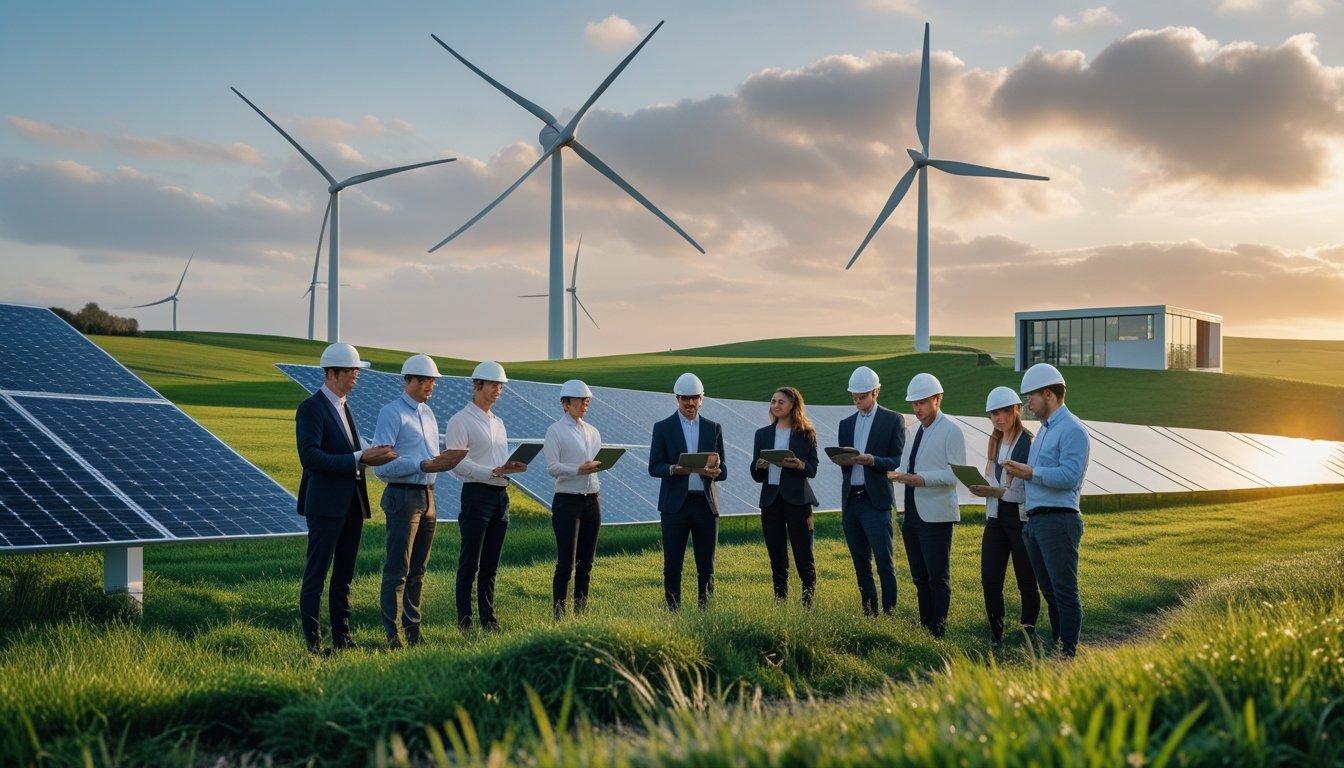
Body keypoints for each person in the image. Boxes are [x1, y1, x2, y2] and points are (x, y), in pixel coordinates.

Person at [295, 342, 397, 654]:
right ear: (334, 373)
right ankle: (314, 645)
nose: (357, 376)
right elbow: (310, 457)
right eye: (353, 371)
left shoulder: (344, 405)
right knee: (317, 576)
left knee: (344, 576)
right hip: (325, 505)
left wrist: (369, 457)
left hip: (352, 503)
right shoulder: (311, 408)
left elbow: (351, 453)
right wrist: (357, 457)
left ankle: (343, 638)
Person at [372, 354, 467, 649]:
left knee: (418, 570)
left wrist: (446, 458)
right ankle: (393, 634)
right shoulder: (392, 413)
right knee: (398, 568)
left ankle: (414, 632)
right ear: (408, 380)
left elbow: (429, 455)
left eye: (433, 381)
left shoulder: (428, 413)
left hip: (428, 496)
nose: (431, 386)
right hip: (402, 496)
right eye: (425, 380)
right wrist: (421, 464)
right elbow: (381, 465)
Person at [1002, 363, 1090, 657]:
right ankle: (1059, 646)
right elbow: (1036, 474)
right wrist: (1019, 476)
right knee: (1050, 592)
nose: (1027, 403)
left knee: (1064, 591)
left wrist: (1030, 473)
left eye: (1032, 396)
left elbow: (1069, 477)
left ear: (1049, 394)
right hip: (1036, 521)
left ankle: (1068, 653)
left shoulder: (1073, 430)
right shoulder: (1043, 432)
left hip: (1059, 519)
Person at [443, 361, 528, 632]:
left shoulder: (499, 423)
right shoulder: (460, 420)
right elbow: (457, 464)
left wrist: (511, 467)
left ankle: (488, 618)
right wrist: (492, 472)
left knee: (491, 562)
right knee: (470, 561)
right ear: (477, 385)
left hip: (501, 496)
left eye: (501, 386)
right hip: (476, 495)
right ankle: (465, 620)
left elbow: (499, 461)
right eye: (494, 385)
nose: (498, 391)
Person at [889, 373, 965, 638]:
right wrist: (893, 473)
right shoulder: (913, 432)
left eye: (922, 402)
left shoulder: (951, 431)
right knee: (919, 576)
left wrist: (922, 480)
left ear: (938, 399)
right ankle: (925, 627)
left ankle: (938, 631)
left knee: (937, 576)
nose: (917, 408)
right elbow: (908, 466)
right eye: (914, 403)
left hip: (936, 513)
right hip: (911, 512)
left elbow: (956, 474)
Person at [967, 386, 1039, 648]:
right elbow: (994, 481)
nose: (999, 418)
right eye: (994, 414)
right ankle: (996, 634)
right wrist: (983, 490)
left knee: (1026, 580)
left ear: (1017, 410)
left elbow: (1025, 491)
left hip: (1019, 519)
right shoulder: (994, 442)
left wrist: (997, 491)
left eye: (1005, 412)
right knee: (990, 580)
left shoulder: (1028, 443)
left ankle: (1027, 631)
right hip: (995, 518)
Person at [648, 372, 727, 610]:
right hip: (675, 507)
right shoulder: (663, 428)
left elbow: (723, 471)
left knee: (707, 565)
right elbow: (654, 466)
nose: (690, 403)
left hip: (705, 504)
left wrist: (715, 472)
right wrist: (672, 469)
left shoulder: (713, 428)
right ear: (677, 399)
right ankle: (673, 610)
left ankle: (706, 610)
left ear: (702, 398)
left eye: (695, 398)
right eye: (685, 399)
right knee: (672, 564)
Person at [833, 366, 906, 616]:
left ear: (876, 392)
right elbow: (844, 462)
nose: (857, 401)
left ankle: (890, 613)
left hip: (875, 501)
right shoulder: (846, 424)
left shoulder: (893, 420)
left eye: (862, 396)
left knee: (884, 563)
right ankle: (869, 612)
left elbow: (895, 460)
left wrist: (872, 460)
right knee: (860, 564)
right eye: (854, 396)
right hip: (851, 500)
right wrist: (842, 460)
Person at [750, 387, 820, 607]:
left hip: (798, 501)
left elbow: (812, 470)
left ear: (792, 405)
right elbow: (755, 474)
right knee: (777, 557)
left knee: (803, 555)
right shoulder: (762, 434)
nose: (776, 405)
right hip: (771, 501)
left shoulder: (806, 434)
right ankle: (780, 602)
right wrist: (759, 465)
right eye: (773, 401)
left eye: (781, 402)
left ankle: (807, 605)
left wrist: (798, 464)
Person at [543, 379, 604, 619]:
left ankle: (580, 613)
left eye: (587, 400)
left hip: (592, 500)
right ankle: (559, 615)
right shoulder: (555, 431)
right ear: (565, 403)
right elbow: (552, 467)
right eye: (580, 400)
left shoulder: (593, 431)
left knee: (586, 563)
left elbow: (596, 463)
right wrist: (579, 469)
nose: (584, 404)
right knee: (566, 563)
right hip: (567, 501)